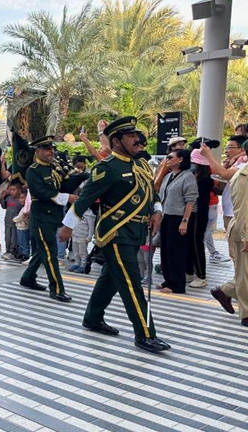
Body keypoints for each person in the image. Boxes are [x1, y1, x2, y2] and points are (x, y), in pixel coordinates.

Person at [59, 116, 170, 353]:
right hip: (116, 234)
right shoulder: (106, 168)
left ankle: (92, 318)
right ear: (117, 141)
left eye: (136, 135)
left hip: (136, 232)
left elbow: (152, 192)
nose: (136, 139)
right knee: (131, 284)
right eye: (131, 136)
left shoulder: (140, 165)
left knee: (110, 279)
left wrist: (157, 211)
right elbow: (85, 198)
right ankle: (145, 333)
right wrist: (67, 227)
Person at [20, 136, 84, 303]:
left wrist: (82, 176)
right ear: (38, 151)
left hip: (54, 216)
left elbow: (64, 185)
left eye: (52, 149)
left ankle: (27, 278)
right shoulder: (33, 171)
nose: (51, 152)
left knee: (43, 251)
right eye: (47, 149)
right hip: (41, 218)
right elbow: (42, 193)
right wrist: (67, 198)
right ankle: (56, 289)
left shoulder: (54, 167)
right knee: (50, 253)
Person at [210, 148, 248, 326]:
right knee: (245, 273)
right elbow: (241, 209)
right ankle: (246, 313)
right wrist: (246, 235)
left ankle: (224, 291)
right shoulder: (243, 176)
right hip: (244, 231)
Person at [157, 149, 197, 294]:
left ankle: (177, 284)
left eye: (170, 157)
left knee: (176, 252)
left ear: (180, 159)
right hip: (167, 216)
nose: (167, 159)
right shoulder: (169, 176)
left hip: (179, 217)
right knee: (166, 250)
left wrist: (185, 221)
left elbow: (190, 200)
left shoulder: (188, 177)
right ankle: (168, 280)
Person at [186, 149, 214, 288]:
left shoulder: (205, 180)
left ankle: (201, 275)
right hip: (192, 214)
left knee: (197, 243)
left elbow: (198, 197)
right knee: (189, 243)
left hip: (199, 214)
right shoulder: (193, 176)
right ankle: (190, 271)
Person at [2, 181, 24, 260]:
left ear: (19, 191)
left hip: (16, 224)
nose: (11, 191)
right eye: (10, 190)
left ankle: (13, 251)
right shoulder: (8, 198)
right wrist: (3, 198)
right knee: (7, 237)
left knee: (14, 239)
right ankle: (7, 250)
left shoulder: (20, 201)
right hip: (7, 222)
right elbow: (3, 206)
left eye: (13, 190)